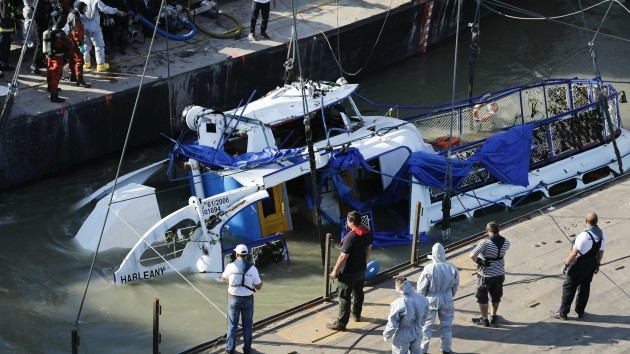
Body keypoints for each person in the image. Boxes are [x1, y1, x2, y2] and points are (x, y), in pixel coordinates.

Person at [551, 211, 605, 320]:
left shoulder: (584, 235)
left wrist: (566, 264)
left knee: (569, 288)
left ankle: (562, 313)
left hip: (579, 264)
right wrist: (597, 264)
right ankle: (580, 311)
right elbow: (600, 252)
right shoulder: (601, 234)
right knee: (585, 287)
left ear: (586, 221)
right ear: (596, 222)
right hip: (591, 263)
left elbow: (574, 253)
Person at [327, 210, 372, 331]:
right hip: (361, 269)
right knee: (358, 292)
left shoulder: (351, 237)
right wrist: (364, 263)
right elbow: (368, 249)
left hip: (348, 272)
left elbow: (343, 257)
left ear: (351, 222)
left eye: (348, 220)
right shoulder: (367, 233)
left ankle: (341, 324)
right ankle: (356, 315)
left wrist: (335, 271)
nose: (347, 222)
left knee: (344, 297)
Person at [418, 243, 459, 354]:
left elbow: (421, 288)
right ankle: (446, 349)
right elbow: (455, 286)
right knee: (446, 326)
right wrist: (449, 296)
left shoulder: (428, 269)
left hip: (431, 299)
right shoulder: (452, 268)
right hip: (447, 298)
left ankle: (422, 350)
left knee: (426, 327)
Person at [221, 244, 263, 354]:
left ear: (236, 254)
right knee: (247, 325)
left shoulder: (230, 267)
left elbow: (223, 278)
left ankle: (230, 349)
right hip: (248, 300)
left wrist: (231, 281)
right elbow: (258, 286)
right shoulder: (253, 269)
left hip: (233, 299)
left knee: (232, 325)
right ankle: (247, 349)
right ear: (246, 255)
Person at [469, 221, 510, 327]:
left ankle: (484, 319)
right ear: (499, 229)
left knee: (482, 297)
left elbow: (472, 255)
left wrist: (481, 262)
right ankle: (493, 315)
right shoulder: (506, 242)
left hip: (486, 275)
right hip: (500, 273)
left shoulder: (484, 243)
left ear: (487, 230)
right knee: (496, 296)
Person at [74, 0, 126, 72]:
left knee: (86, 45)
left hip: (84, 26)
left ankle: (86, 63)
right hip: (94, 27)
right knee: (99, 45)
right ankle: (100, 65)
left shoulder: (78, 1)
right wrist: (117, 11)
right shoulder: (96, 1)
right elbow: (105, 9)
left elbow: (74, 12)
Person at [383, 276, 429, 354]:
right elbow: (426, 313)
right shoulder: (422, 299)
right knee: (416, 351)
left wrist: (387, 335)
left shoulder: (398, 303)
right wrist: (421, 323)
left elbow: (392, 323)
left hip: (402, 333)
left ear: (399, 288)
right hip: (417, 330)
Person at [47, 16, 72, 102]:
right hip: (58, 57)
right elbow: (70, 44)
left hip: (50, 55)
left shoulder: (51, 29)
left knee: (50, 72)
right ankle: (54, 96)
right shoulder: (61, 34)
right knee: (56, 75)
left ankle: (50, 88)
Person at [67, 2, 90, 87]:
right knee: (79, 60)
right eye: (84, 9)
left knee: (72, 59)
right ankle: (80, 80)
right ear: (81, 8)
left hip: (71, 41)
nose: (85, 10)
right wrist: (79, 43)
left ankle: (73, 76)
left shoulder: (71, 14)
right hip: (75, 42)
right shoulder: (75, 17)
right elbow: (75, 31)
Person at [29, 0, 54, 74]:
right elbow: (37, 16)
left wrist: (53, 13)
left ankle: (40, 61)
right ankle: (34, 64)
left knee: (45, 44)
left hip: (46, 25)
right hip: (39, 26)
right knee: (40, 44)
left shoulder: (47, 2)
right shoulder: (37, 2)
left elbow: (50, 10)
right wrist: (49, 15)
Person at [0, 0, 17, 79]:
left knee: (6, 49)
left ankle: (4, 64)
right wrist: (14, 14)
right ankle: (2, 65)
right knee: (3, 49)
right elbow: (5, 15)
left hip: (6, 29)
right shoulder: (4, 1)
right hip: (4, 29)